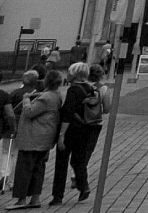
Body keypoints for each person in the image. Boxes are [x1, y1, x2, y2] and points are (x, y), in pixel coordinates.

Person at [48, 64, 106, 206]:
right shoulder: (91, 88)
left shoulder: (73, 90)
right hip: (86, 129)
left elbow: (68, 114)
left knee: (61, 162)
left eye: (69, 71)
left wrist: (61, 135)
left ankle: (57, 196)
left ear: (75, 74)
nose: (67, 74)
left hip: (72, 130)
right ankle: (83, 186)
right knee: (78, 160)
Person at [7, 71, 59, 209]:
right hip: (45, 138)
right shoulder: (56, 96)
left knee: (24, 169)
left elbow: (29, 112)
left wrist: (25, 99)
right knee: (38, 169)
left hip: (32, 138)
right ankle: (35, 198)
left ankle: (21, 199)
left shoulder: (45, 98)